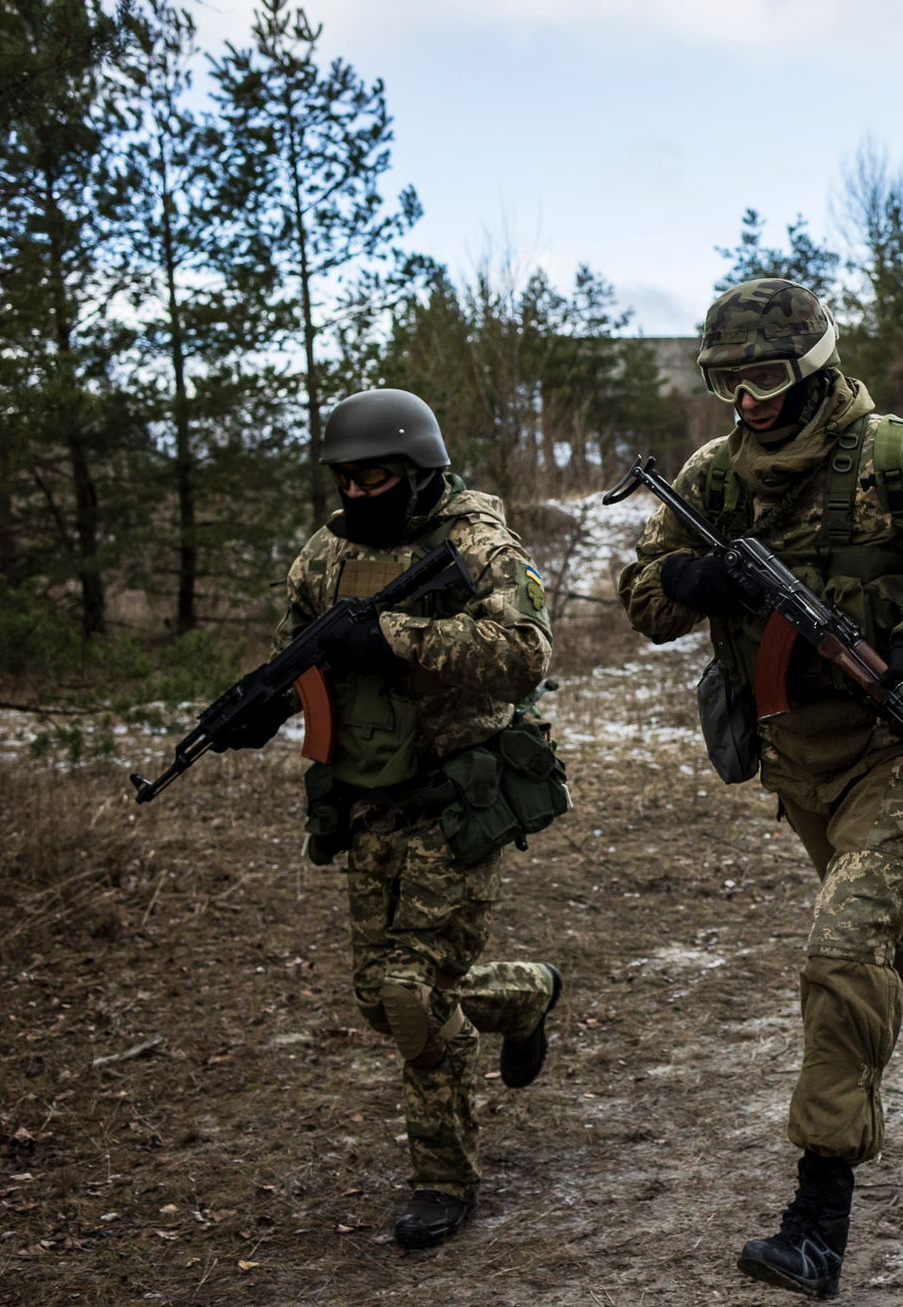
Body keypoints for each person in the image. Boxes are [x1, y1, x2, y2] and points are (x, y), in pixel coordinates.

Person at [618, 279, 903, 1299]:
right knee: (892, 928)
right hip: (796, 756)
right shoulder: (712, 476)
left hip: (900, 748)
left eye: (766, 377)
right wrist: (687, 583)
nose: (748, 400)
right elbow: (644, 591)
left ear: (814, 365)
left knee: (843, 943)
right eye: (729, 382)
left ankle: (819, 1212)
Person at [216, 388, 563, 1249]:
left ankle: (443, 1178)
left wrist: (400, 639)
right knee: (382, 997)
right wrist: (261, 708)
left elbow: (527, 654)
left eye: (374, 476)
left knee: (410, 992)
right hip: (366, 800)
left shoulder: (474, 538)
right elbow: (300, 652)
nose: (357, 493)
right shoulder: (323, 556)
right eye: (345, 478)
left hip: (454, 796)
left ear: (418, 471)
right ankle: (526, 997)